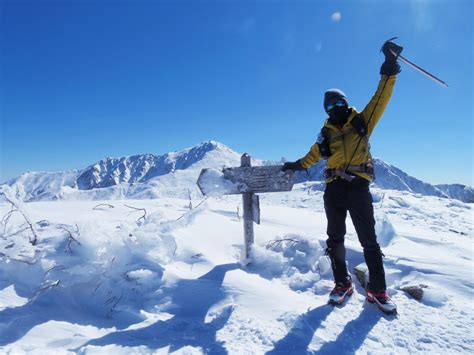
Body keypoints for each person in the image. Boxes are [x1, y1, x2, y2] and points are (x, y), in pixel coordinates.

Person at [282, 39, 403, 313]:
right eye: (330, 105)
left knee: (369, 241)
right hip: (333, 189)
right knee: (334, 238)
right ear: (325, 109)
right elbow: (311, 157)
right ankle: (342, 284)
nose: (335, 107)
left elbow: (381, 96)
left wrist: (389, 67)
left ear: (346, 103)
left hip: (358, 188)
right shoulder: (325, 134)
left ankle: (377, 290)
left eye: (339, 102)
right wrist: (295, 166)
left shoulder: (362, 121)